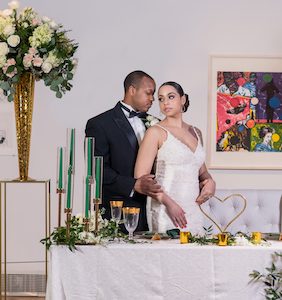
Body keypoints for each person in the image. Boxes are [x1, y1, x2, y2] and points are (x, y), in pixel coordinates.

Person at [85, 71, 162, 232]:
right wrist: (134, 185)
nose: (153, 99)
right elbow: (97, 169)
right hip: (118, 212)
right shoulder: (100, 124)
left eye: (154, 94)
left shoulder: (158, 124)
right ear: (132, 90)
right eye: (149, 93)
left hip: (156, 211)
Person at [134, 81, 216, 235]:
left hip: (194, 208)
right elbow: (141, 177)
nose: (165, 102)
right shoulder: (155, 132)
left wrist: (211, 182)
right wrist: (169, 203)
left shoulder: (196, 132)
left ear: (183, 100)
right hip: (166, 208)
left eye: (171, 97)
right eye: (161, 98)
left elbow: (202, 171)